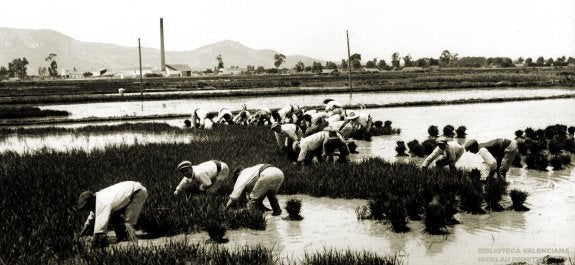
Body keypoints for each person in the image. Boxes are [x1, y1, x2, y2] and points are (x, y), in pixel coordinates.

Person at [76, 181, 148, 248]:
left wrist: (95, 242)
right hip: (132, 190)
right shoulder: (97, 200)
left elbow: (100, 230)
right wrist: (80, 235)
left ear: (91, 201)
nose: (87, 209)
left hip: (138, 192)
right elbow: (89, 221)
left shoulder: (102, 203)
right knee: (115, 217)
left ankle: (131, 242)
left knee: (128, 222)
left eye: (87, 207)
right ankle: (123, 238)